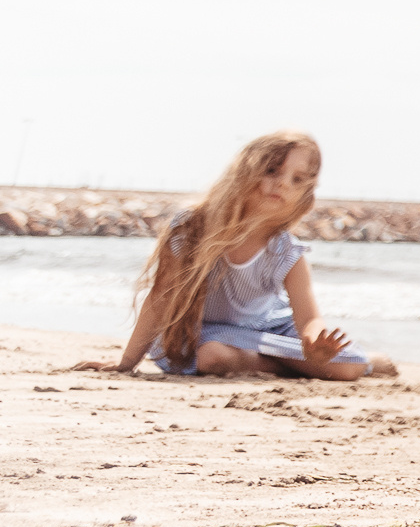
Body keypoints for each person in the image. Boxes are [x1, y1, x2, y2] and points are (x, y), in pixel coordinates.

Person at [70, 131, 378, 379]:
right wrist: (127, 362)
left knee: (349, 364)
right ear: (245, 170)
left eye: (297, 179)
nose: (283, 183)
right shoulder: (190, 229)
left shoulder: (285, 249)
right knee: (211, 356)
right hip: (204, 332)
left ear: (305, 192)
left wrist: (314, 343)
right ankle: (288, 364)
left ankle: (291, 362)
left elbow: (309, 317)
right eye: (272, 171)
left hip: (266, 329)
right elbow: (161, 295)